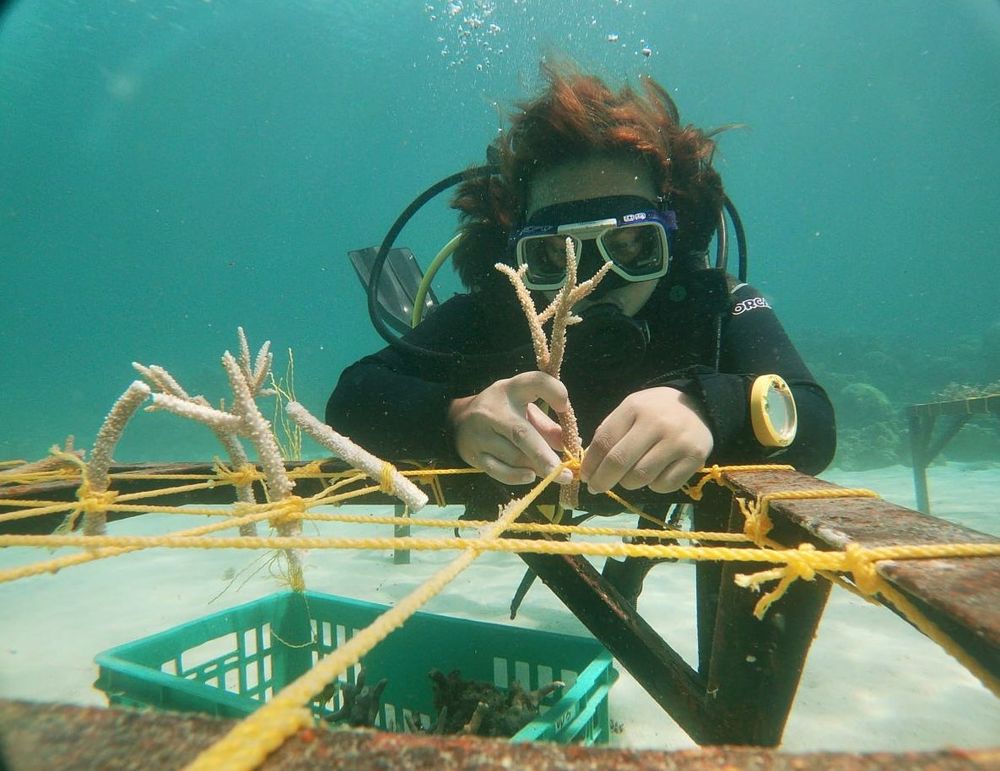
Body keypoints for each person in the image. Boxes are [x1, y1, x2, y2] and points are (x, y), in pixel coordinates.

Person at [328, 63, 836, 505]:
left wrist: (710, 406)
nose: (595, 281)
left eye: (633, 245)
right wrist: (457, 417)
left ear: (674, 239)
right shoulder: (498, 308)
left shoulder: (709, 303)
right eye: (554, 254)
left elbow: (813, 421)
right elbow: (354, 397)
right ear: (518, 251)